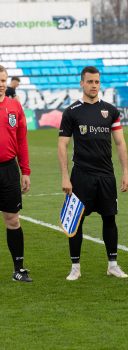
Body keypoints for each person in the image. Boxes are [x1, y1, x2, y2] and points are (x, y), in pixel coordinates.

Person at [58, 66, 128, 281]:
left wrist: (125, 172)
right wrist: (64, 176)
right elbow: (62, 145)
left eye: (97, 82)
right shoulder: (72, 112)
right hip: (81, 175)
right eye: (89, 82)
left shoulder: (110, 110)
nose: (94, 86)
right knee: (77, 223)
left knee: (110, 219)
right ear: (82, 83)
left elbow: (120, 143)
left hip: (106, 176)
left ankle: (113, 265)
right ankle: (75, 267)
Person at [0, 65, 32, 282]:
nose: (1, 84)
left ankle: (19, 269)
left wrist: (25, 171)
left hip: (9, 169)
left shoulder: (14, 106)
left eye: (3, 80)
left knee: (12, 219)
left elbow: (22, 140)